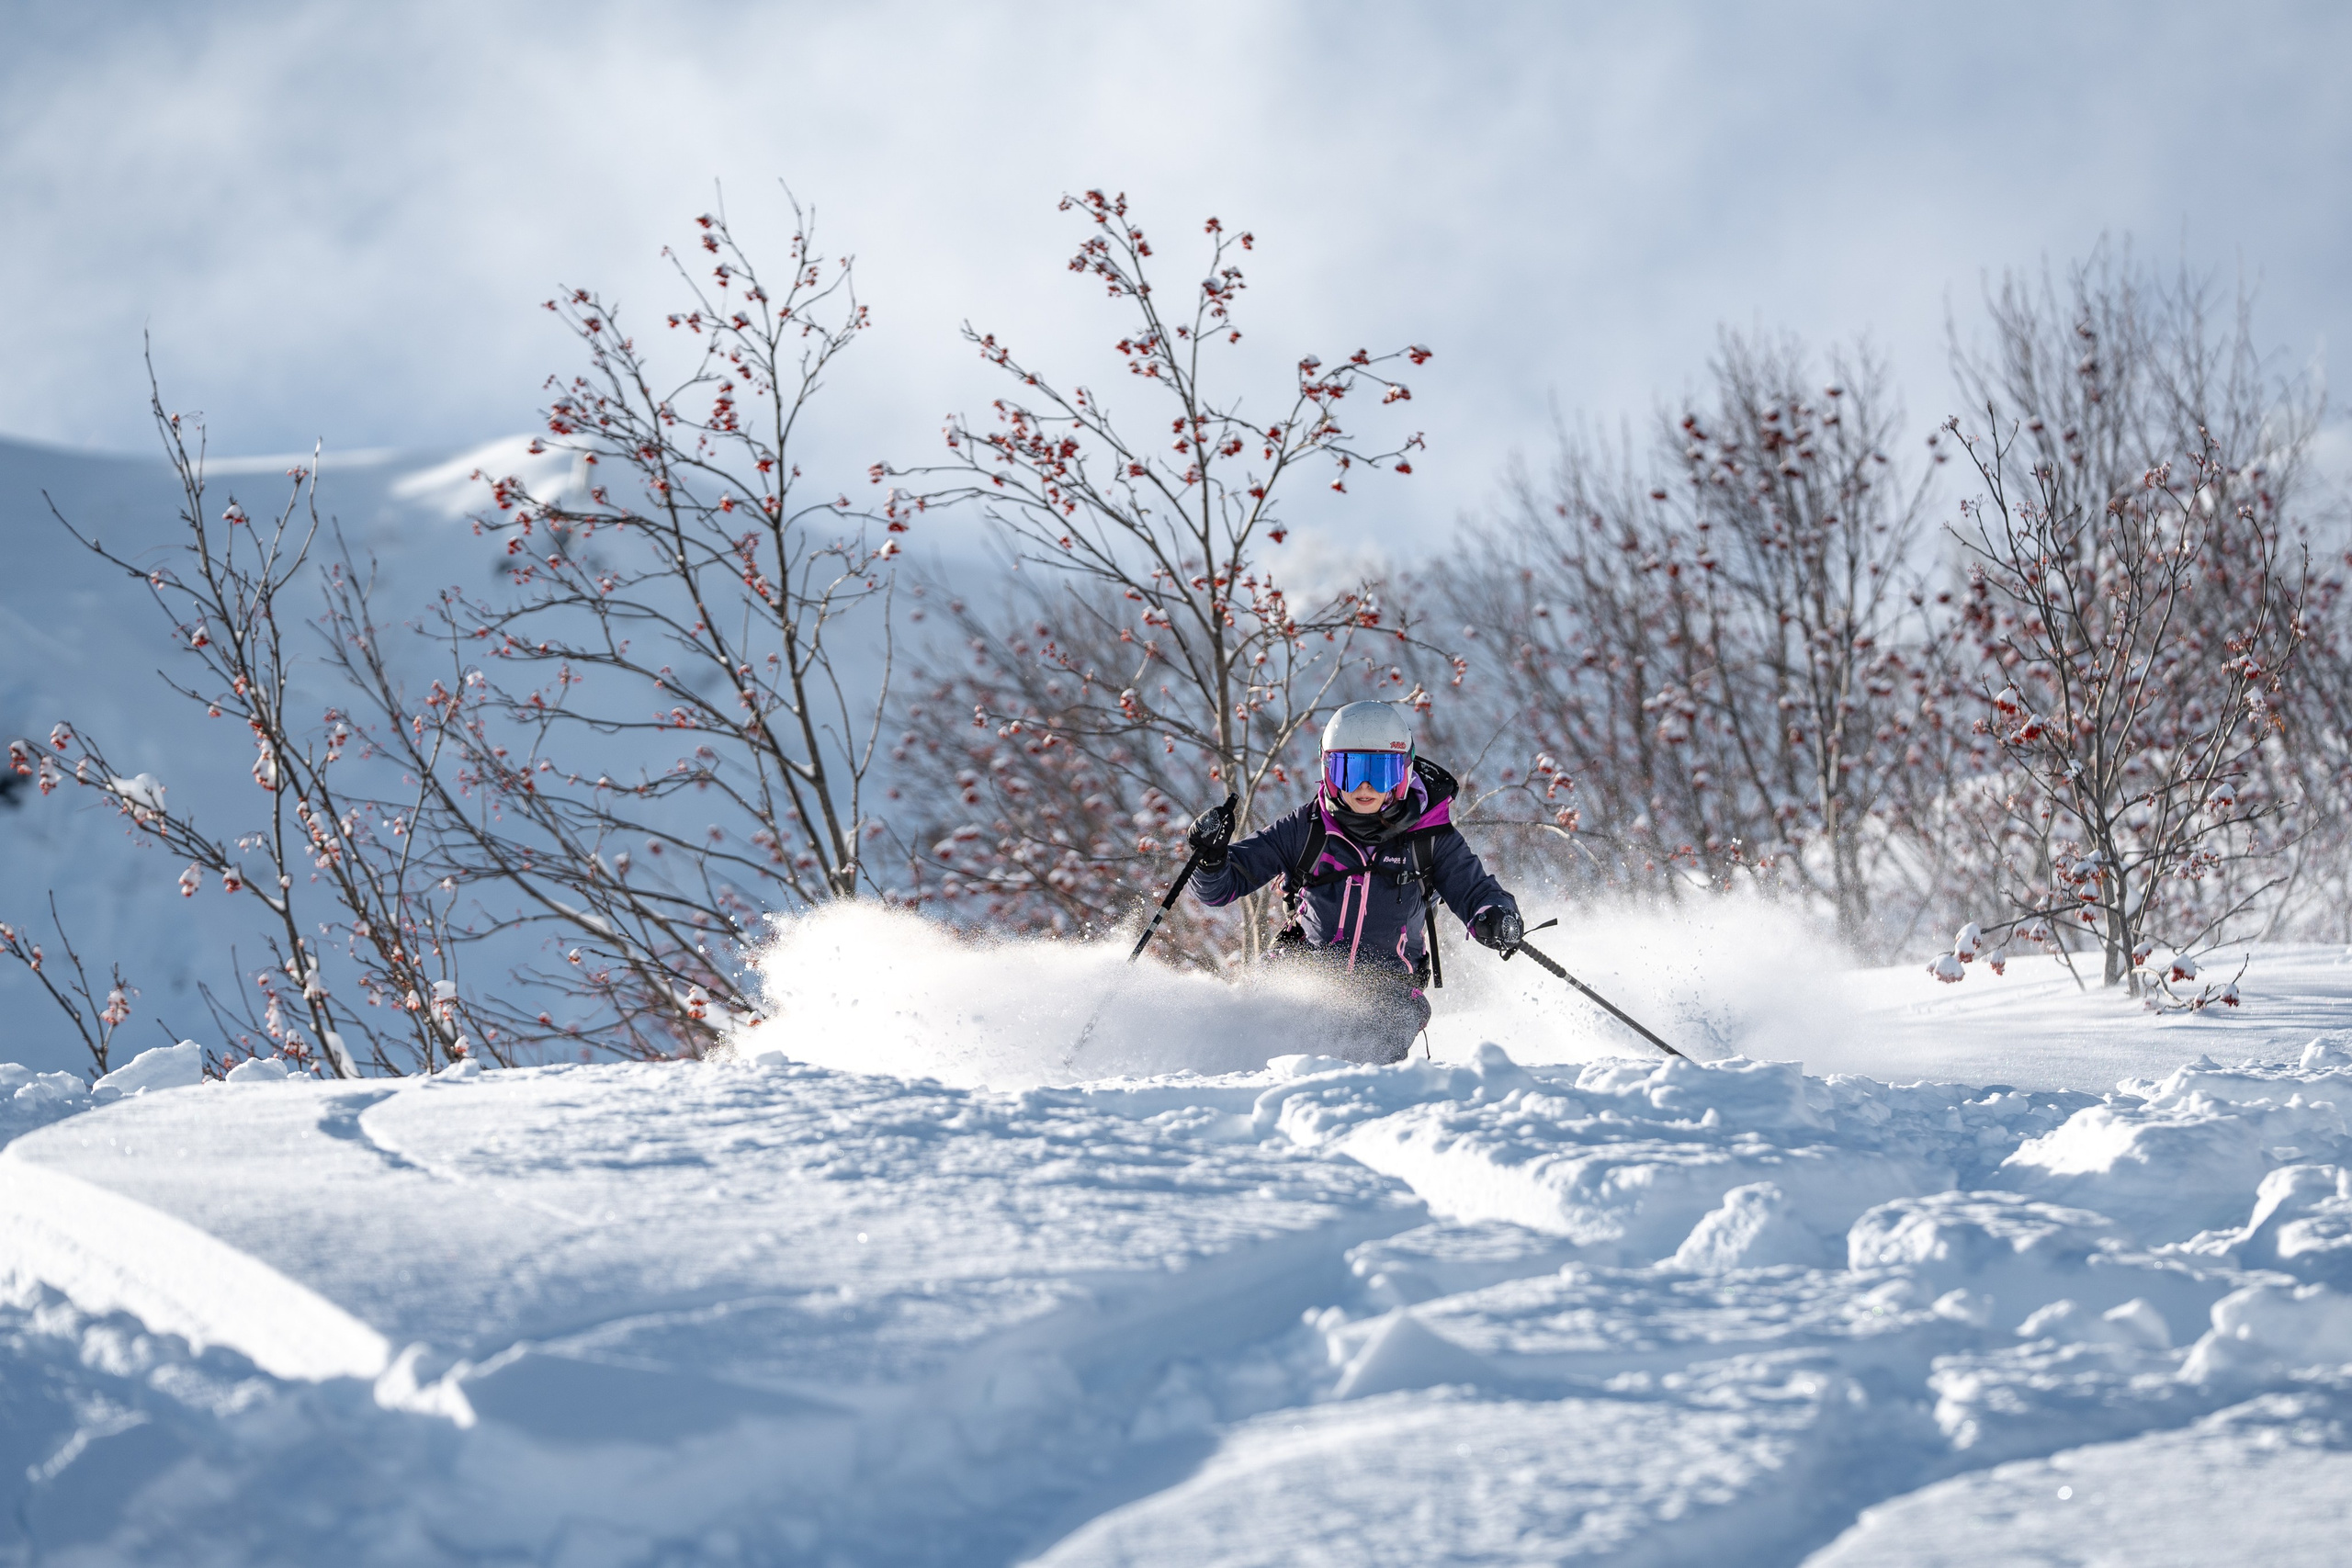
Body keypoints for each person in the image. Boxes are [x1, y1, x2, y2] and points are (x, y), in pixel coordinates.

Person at [1183, 701, 1523, 1063]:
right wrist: (1210, 860)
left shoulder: (1430, 837)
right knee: (1267, 1046)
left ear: (1403, 773)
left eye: (1381, 773)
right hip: (1303, 973)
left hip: (1387, 989)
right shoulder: (1307, 828)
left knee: (1368, 1052)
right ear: (1328, 771)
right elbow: (1220, 888)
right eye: (1349, 770)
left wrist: (1496, 915)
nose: (1364, 787)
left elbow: (1475, 890)